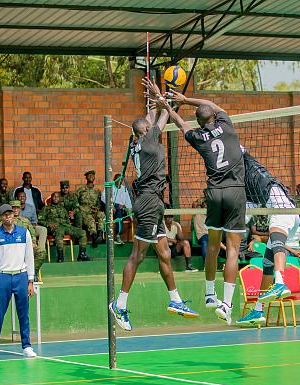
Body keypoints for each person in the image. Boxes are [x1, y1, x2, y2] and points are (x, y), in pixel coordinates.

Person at [155, 81, 245, 325]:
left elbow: (181, 124)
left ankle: (209, 294)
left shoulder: (198, 137)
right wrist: (185, 99)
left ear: (200, 121)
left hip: (214, 193)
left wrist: (170, 108)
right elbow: (211, 104)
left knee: (213, 246)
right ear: (214, 115)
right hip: (235, 191)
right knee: (233, 250)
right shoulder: (226, 124)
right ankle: (226, 305)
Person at [109, 81, 198, 330]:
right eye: (149, 128)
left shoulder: (138, 142)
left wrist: (152, 101)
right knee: (137, 255)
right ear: (146, 132)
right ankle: (120, 305)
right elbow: (160, 119)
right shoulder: (148, 141)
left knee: (165, 253)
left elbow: (149, 118)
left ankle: (175, 300)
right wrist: (163, 99)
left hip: (154, 201)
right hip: (149, 202)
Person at [234, 147, 300, 325]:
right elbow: (245, 214)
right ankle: (258, 310)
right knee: (267, 265)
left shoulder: (251, 165)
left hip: (283, 209)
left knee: (275, 236)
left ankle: (280, 283)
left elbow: (237, 147)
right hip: (286, 215)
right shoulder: (246, 190)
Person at [0, 204, 36, 359]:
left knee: (23, 313)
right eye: (4, 214)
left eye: (10, 214)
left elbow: (29, 257)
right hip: (3, 277)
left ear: (14, 215)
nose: (8, 217)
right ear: (1, 217)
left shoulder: (24, 233)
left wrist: (31, 281)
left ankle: (27, 346)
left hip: (21, 276)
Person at [40, 193, 90, 262]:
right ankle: (60, 256)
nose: (56, 198)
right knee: (59, 232)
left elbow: (67, 220)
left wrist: (71, 219)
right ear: (51, 198)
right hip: (54, 227)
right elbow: (40, 220)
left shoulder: (63, 209)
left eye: (57, 197)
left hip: (66, 226)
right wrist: (48, 224)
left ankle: (82, 254)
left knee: (82, 232)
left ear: (59, 198)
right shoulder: (46, 208)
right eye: (54, 197)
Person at [12, 200, 49, 272]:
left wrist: (33, 241)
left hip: (26, 245)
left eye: (17, 208)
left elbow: (32, 232)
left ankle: (33, 271)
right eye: (13, 208)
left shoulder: (25, 221)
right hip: (13, 246)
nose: (15, 210)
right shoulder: (6, 221)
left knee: (41, 252)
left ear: (20, 209)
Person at [16, 191, 48, 262]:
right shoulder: (14, 208)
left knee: (43, 229)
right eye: (20, 196)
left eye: (23, 196)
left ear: (26, 198)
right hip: (19, 230)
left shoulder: (31, 207)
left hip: (30, 227)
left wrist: (33, 225)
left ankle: (40, 251)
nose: (22, 198)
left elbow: (35, 220)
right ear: (17, 198)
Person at [101, 174, 132, 245]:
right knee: (118, 208)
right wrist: (111, 205)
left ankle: (118, 235)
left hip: (122, 210)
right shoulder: (110, 187)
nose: (119, 181)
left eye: (121, 180)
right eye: (118, 179)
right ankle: (118, 235)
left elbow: (129, 203)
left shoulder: (125, 189)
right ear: (114, 180)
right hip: (111, 210)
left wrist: (124, 206)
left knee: (119, 211)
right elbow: (103, 197)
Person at [77, 170, 105, 247]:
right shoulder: (80, 190)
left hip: (94, 211)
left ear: (94, 177)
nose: (91, 177)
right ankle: (94, 237)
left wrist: (97, 209)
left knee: (101, 214)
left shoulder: (97, 191)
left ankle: (100, 235)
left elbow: (99, 203)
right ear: (86, 178)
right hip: (84, 212)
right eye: (89, 175)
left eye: (92, 175)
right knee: (90, 219)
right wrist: (79, 209)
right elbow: (75, 202)